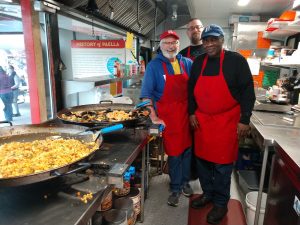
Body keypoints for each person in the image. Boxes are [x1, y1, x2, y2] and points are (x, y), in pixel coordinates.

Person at [188, 24, 256, 224]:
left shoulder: (236, 61)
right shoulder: (198, 62)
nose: (209, 44)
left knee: (222, 166)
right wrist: (191, 112)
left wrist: (245, 119)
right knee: (202, 163)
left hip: (226, 121)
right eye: (206, 40)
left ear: (222, 40)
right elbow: (191, 90)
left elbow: (247, 92)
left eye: (213, 40)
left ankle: (220, 202)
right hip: (202, 121)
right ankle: (208, 194)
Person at [140, 30, 193, 207]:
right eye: (167, 43)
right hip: (169, 116)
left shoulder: (187, 63)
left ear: (178, 45)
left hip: (187, 114)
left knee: (187, 151)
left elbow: (195, 89)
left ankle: (185, 182)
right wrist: (154, 116)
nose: (171, 46)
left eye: (174, 43)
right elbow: (146, 95)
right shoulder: (154, 66)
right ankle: (175, 187)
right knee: (175, 153)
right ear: (160, 45)